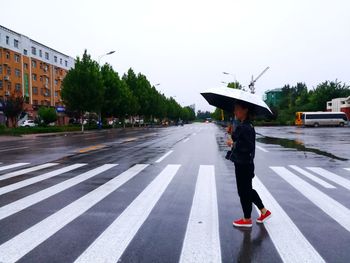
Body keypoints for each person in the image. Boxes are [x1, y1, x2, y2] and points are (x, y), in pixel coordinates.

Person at [227, 101, 271, 227]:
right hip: (244, 163)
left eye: (237, 109)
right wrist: (232, 133)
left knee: (244, 192)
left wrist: (233, 143)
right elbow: (238, 138)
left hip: (244, 164)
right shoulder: (246, 125)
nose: (235, 112)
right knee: (246, 190)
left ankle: (247, 219)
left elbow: (247, 146)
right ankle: (263, 211)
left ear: (245, 110)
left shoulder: (245, 127)